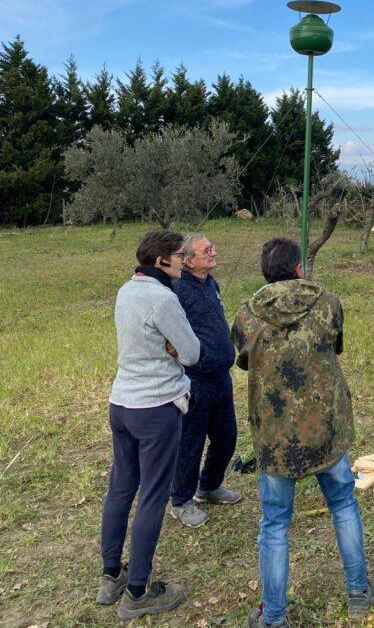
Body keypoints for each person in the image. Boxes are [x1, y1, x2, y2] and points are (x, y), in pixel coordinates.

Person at [231, 237, 374, 628]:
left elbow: (243, 360)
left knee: (275, 524)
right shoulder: (328, 303)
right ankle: (358, 592)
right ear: (299, 268)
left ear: (265, 272)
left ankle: (274, 616)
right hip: (326, 430)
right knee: (343, 504)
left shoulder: (246, 315)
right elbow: (334, 345)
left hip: (274, 437)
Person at [97, 229, 200, 620]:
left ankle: (111, 576)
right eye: (180, 255)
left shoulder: (126, 290)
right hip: (156, 408)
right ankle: (138, 592)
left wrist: (169, 346)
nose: (184, 261)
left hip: (121, 403)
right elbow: (192, 353)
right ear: (161, 261)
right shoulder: (164, 298)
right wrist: (173, 348)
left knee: (121, 488)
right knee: (153, 497)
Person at [169, 233, 241, 528]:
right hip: (195, 380)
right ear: (188, 261)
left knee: (227, 437)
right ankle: (181, 501)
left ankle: (208, 486)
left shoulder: (211, 283)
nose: (214, 252)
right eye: (207, 250)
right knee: (190, 443)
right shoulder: (177, 290)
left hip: (221, 377)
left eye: (213, 247)